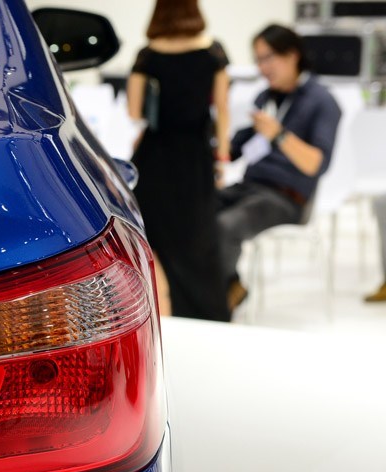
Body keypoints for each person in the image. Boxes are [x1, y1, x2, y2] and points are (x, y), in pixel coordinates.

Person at [219, 24, 341, 311]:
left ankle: (221, 299)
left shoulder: (322, 102)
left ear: (292, 55)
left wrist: (279, 135)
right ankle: (227, 286)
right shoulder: (266, 98)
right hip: (249, 188)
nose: (262, 68)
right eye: (258, 60)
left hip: (287, 198)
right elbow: (236, 148)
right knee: (194, 210)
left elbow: (315, 164)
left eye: (268, 58)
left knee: (225, 225)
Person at [128, 0, 231, 321]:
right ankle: (211, 317)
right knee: (198, 240)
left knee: (155, 238)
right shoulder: (213, 52)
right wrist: (222, 155)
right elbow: (223, 109)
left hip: (155, 158)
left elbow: (134, 110)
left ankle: (165, 317)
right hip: (194, 159)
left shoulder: (147, 55)